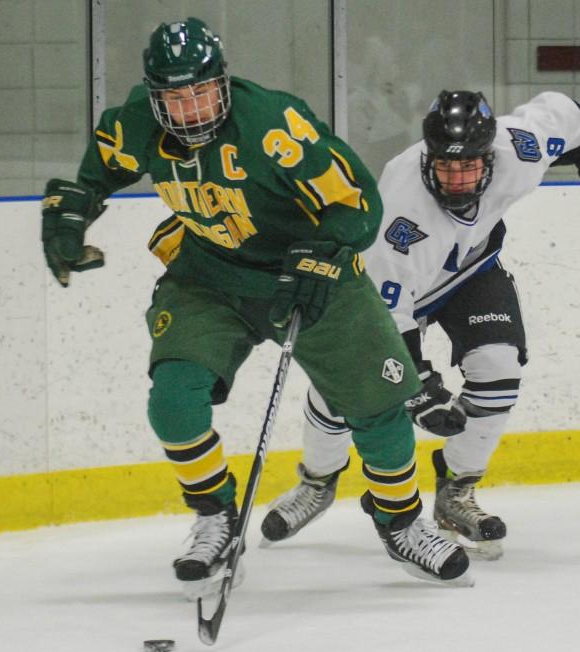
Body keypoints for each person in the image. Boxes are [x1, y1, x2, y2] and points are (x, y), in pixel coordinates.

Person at [39, 18, 470, 596]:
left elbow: (358, 203)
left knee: (380, 411)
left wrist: (320, 251)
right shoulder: (135, 121)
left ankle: (401, 523)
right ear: (154, 93)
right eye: (173, 96)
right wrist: (74, 212)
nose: (189, 108)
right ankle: (217, 516)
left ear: (222, 82)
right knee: (173, 402)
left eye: (200, 92)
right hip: (209, 277)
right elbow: (96, 175)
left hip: (314, 275)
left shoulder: (273, 125)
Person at [260, 89, 580, 559]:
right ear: (427, 160)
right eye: (445, 167)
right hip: (390, 298)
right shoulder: (400, 208)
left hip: (471, 272)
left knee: (499, 367)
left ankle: (456, 491)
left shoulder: (519, 148)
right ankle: (318, 481)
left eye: (468, 167)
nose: (456, 180)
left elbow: (568, 114)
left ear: (489, 158)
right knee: (344, 389)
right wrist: (420, 384)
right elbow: (386, 314)